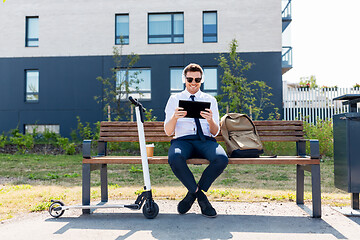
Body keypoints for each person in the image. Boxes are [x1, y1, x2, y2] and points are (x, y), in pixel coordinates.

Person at [164, 63, 229, 218]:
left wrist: (211, 121)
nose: (193, 83)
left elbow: (215, 132)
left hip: (205, 140)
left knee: (221, 158)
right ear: (184, 79)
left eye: (197, 79)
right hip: (182, 141)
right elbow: (168, 132)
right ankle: (200, 196)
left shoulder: (210, 99)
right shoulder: (175, 99)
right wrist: (175, 117)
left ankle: (191, 195)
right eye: (190, 79)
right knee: (175, 157)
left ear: (202, 80)